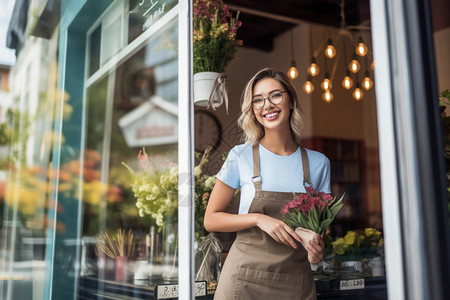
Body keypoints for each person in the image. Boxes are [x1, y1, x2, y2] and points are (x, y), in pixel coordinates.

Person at [204, 68, 331, 299]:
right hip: (243, 281)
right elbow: (211, 219)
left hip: (295, 283)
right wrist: (259, 219)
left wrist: (317, 248)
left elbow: (317, 230)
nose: (267, 105)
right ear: (252, 109)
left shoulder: (318, 163)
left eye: (275, 95)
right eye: (258, 100)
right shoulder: (240, 156)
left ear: (290, 100)